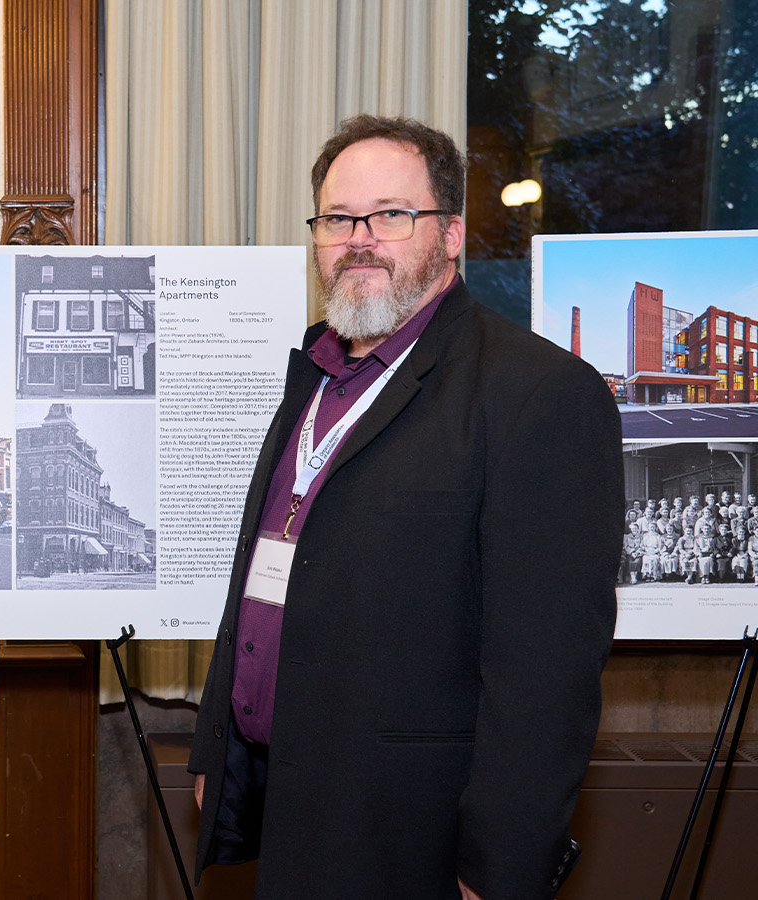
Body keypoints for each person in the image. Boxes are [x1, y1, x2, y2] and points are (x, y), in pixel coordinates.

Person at [187, 115, 621, 900]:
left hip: (413, 831)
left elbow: (546, 672)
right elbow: (261, 572)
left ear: (451, 234)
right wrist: (217, 757)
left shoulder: (537, 394)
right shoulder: (315, 373)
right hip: (288, 800)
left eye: (391, 215)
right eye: (335, 219)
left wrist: (502, 865)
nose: (359, 239)